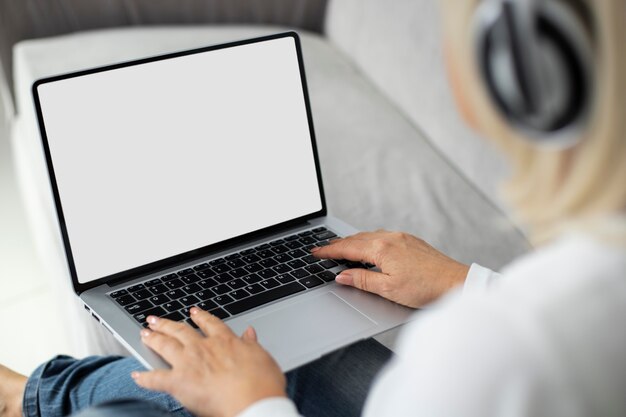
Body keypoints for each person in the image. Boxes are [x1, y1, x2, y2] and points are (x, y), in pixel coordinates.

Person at [2, 0, 625, 416]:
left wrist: (254, 404)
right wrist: (465, 283)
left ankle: (31, 396)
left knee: (234, 366)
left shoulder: (490, 353)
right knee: (284, 350)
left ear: (522, 72)